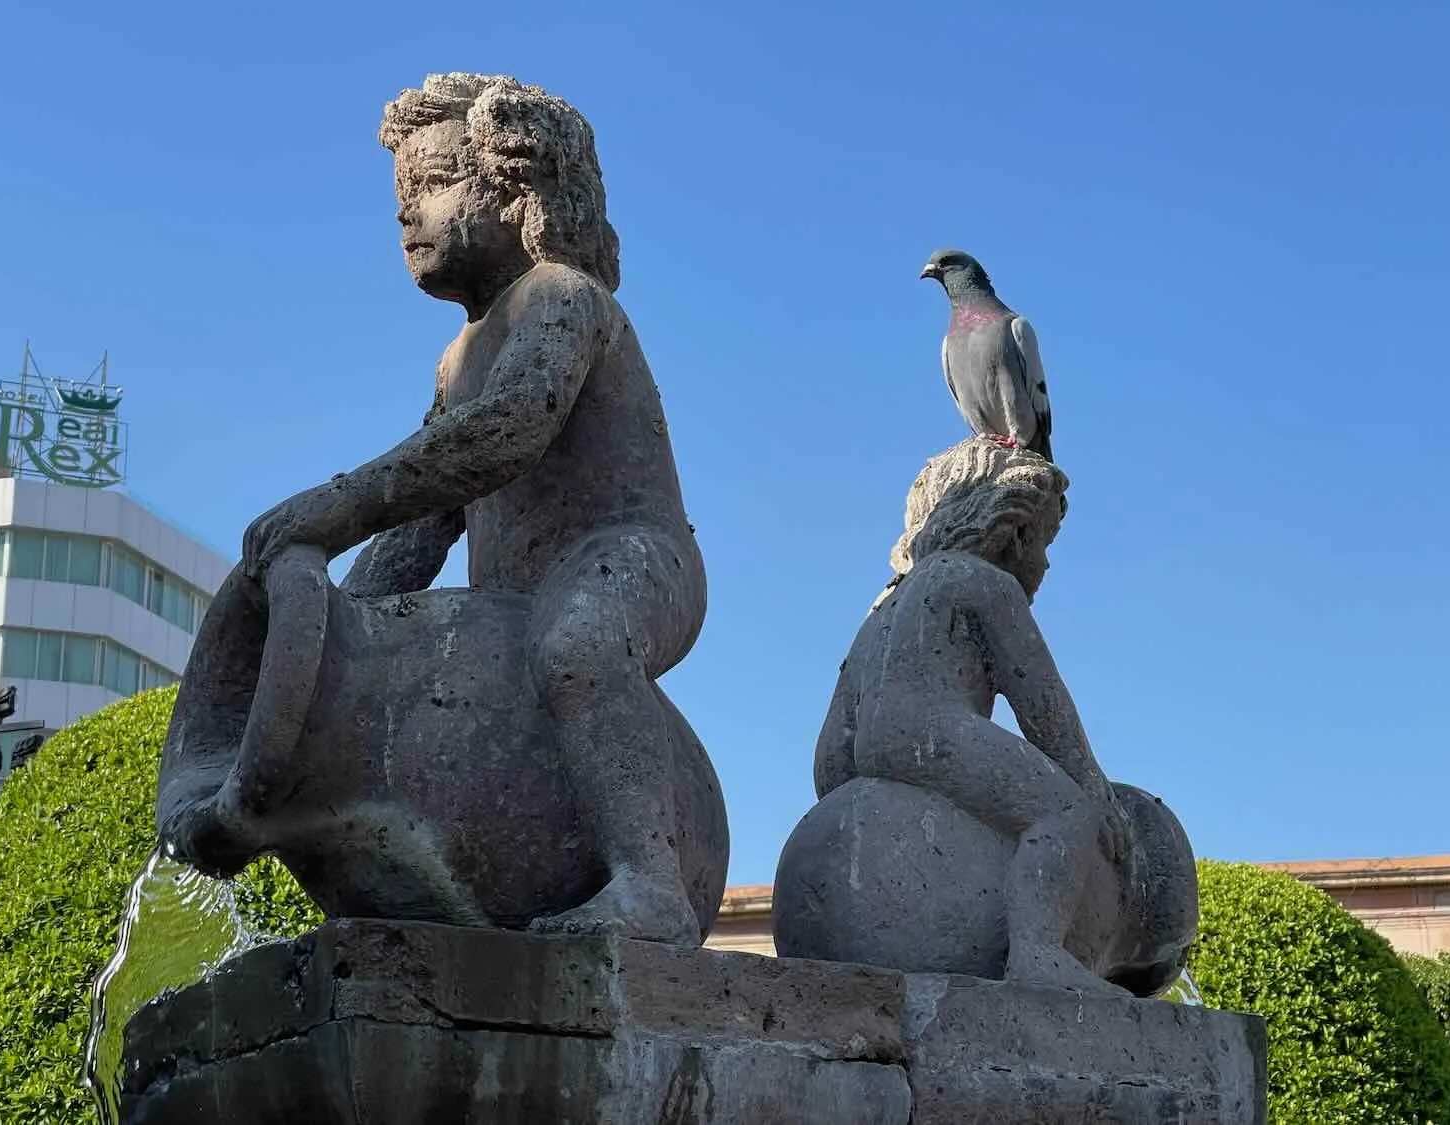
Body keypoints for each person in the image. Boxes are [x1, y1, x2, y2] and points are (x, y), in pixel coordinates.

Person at [239, 74, 707, 945]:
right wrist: (335, 626)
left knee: (579, 643)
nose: (406, 213)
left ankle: (651, 882)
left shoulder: (563, 298)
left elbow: (505, 432)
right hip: (515, 605)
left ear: (516, 191)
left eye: (433, 182)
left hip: (636, 558)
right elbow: (425, 526)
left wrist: (334, 506)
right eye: (401, 194)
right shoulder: (455, 360)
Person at [814, 438, 1132, 991]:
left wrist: (842, 791)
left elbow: (837, 730)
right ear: (1014, 532)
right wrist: (1093, 787)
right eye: (1045, 543)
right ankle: (1037, 951)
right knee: (1064, 811)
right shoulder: (984, 583)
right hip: (929, 731)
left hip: (866, 751)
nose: (1046, 562)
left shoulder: (885, 602)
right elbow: (1044, 707)